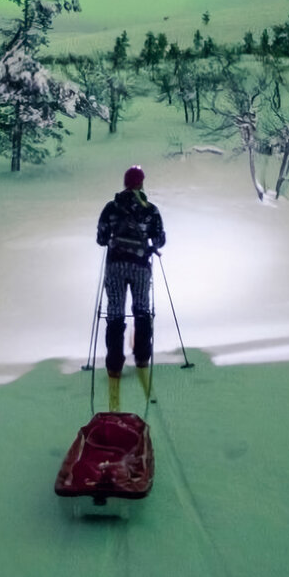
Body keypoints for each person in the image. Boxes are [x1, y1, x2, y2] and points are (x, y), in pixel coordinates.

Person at [95, 165, 166, 411]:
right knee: (142, 310)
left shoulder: (111, 207)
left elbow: (101, 238)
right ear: (141, 184)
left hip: (115, 266)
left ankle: (114, 364)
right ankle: (142, 358)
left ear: (125, 183)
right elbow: (160, 240)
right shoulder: (150, 210)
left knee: (115, 312)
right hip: (140, 267)